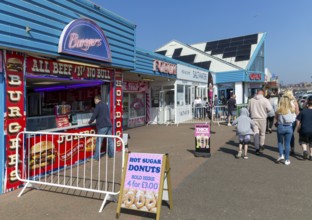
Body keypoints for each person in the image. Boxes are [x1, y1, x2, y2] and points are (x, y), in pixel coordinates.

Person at [88, 95, 114, 160]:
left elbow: (94, 115)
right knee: (110, 141)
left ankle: (96, 158)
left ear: (97, 99)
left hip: (102, 126)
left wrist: (89, 122)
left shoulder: (98, 106)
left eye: (94, 100)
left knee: (99, 141)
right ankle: (112, 155)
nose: (94, 102)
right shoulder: (105, 105)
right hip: (109, 124)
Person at [248, 89, 272, 155]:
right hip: (262, 119)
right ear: (263, 93)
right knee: (262, 133)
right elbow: (270, 109)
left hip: (254, 119)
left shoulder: (251, 100)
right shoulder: (265, 100)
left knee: (256, 134)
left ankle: (257, 148)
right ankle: (261, 145)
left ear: (257, 93)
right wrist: (265, 111)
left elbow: (248, 110)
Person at [275, 96, 296, 165]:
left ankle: (281, 155)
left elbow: (276, 118)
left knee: (280, 142)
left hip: (281, 127)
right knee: (287, 144)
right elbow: (294, 119)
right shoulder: (292, 109)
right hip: (289, 127)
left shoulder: (279, 109)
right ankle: (287, 160)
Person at [283, 90, 300, 155]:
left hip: (284, 120)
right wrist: (299, 122)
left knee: (285, 134)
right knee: (291, 134)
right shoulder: (294, 102)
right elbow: (297, 112)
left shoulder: (283, 102)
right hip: (293, 121)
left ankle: (287, 148)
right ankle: (292, 148)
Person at [296, 96, 312, 160]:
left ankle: (305, 151)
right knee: (311, 142)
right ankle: (311, 155)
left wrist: (298, 128)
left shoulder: (303, 111)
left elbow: (298, 120)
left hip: (304, 129)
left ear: (308, 103)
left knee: (303, 141)